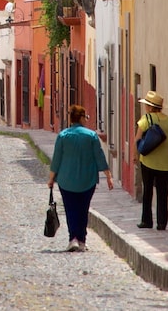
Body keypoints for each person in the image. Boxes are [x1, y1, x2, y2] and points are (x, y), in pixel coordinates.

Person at [48, 105, 113, 252]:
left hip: (66, 180)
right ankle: (82, 240)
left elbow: (56, 159)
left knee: (71, 210)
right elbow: (99, 157)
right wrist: (108, 176)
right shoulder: (91, 136)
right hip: (87, 180)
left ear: (71, 119)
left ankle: (73, 239)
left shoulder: (63, 136)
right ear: (82, 118)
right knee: (83, 210)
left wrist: (51, 179)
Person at [133, 91, 168, 231]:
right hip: (166, 163)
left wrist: (135, 156)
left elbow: (137, 139)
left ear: (151, 107)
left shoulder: (146, 119)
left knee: (148, 191)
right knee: (163, 193)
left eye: (146, 105)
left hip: (148, 161)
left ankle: (146, 220)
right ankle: (162, 223)